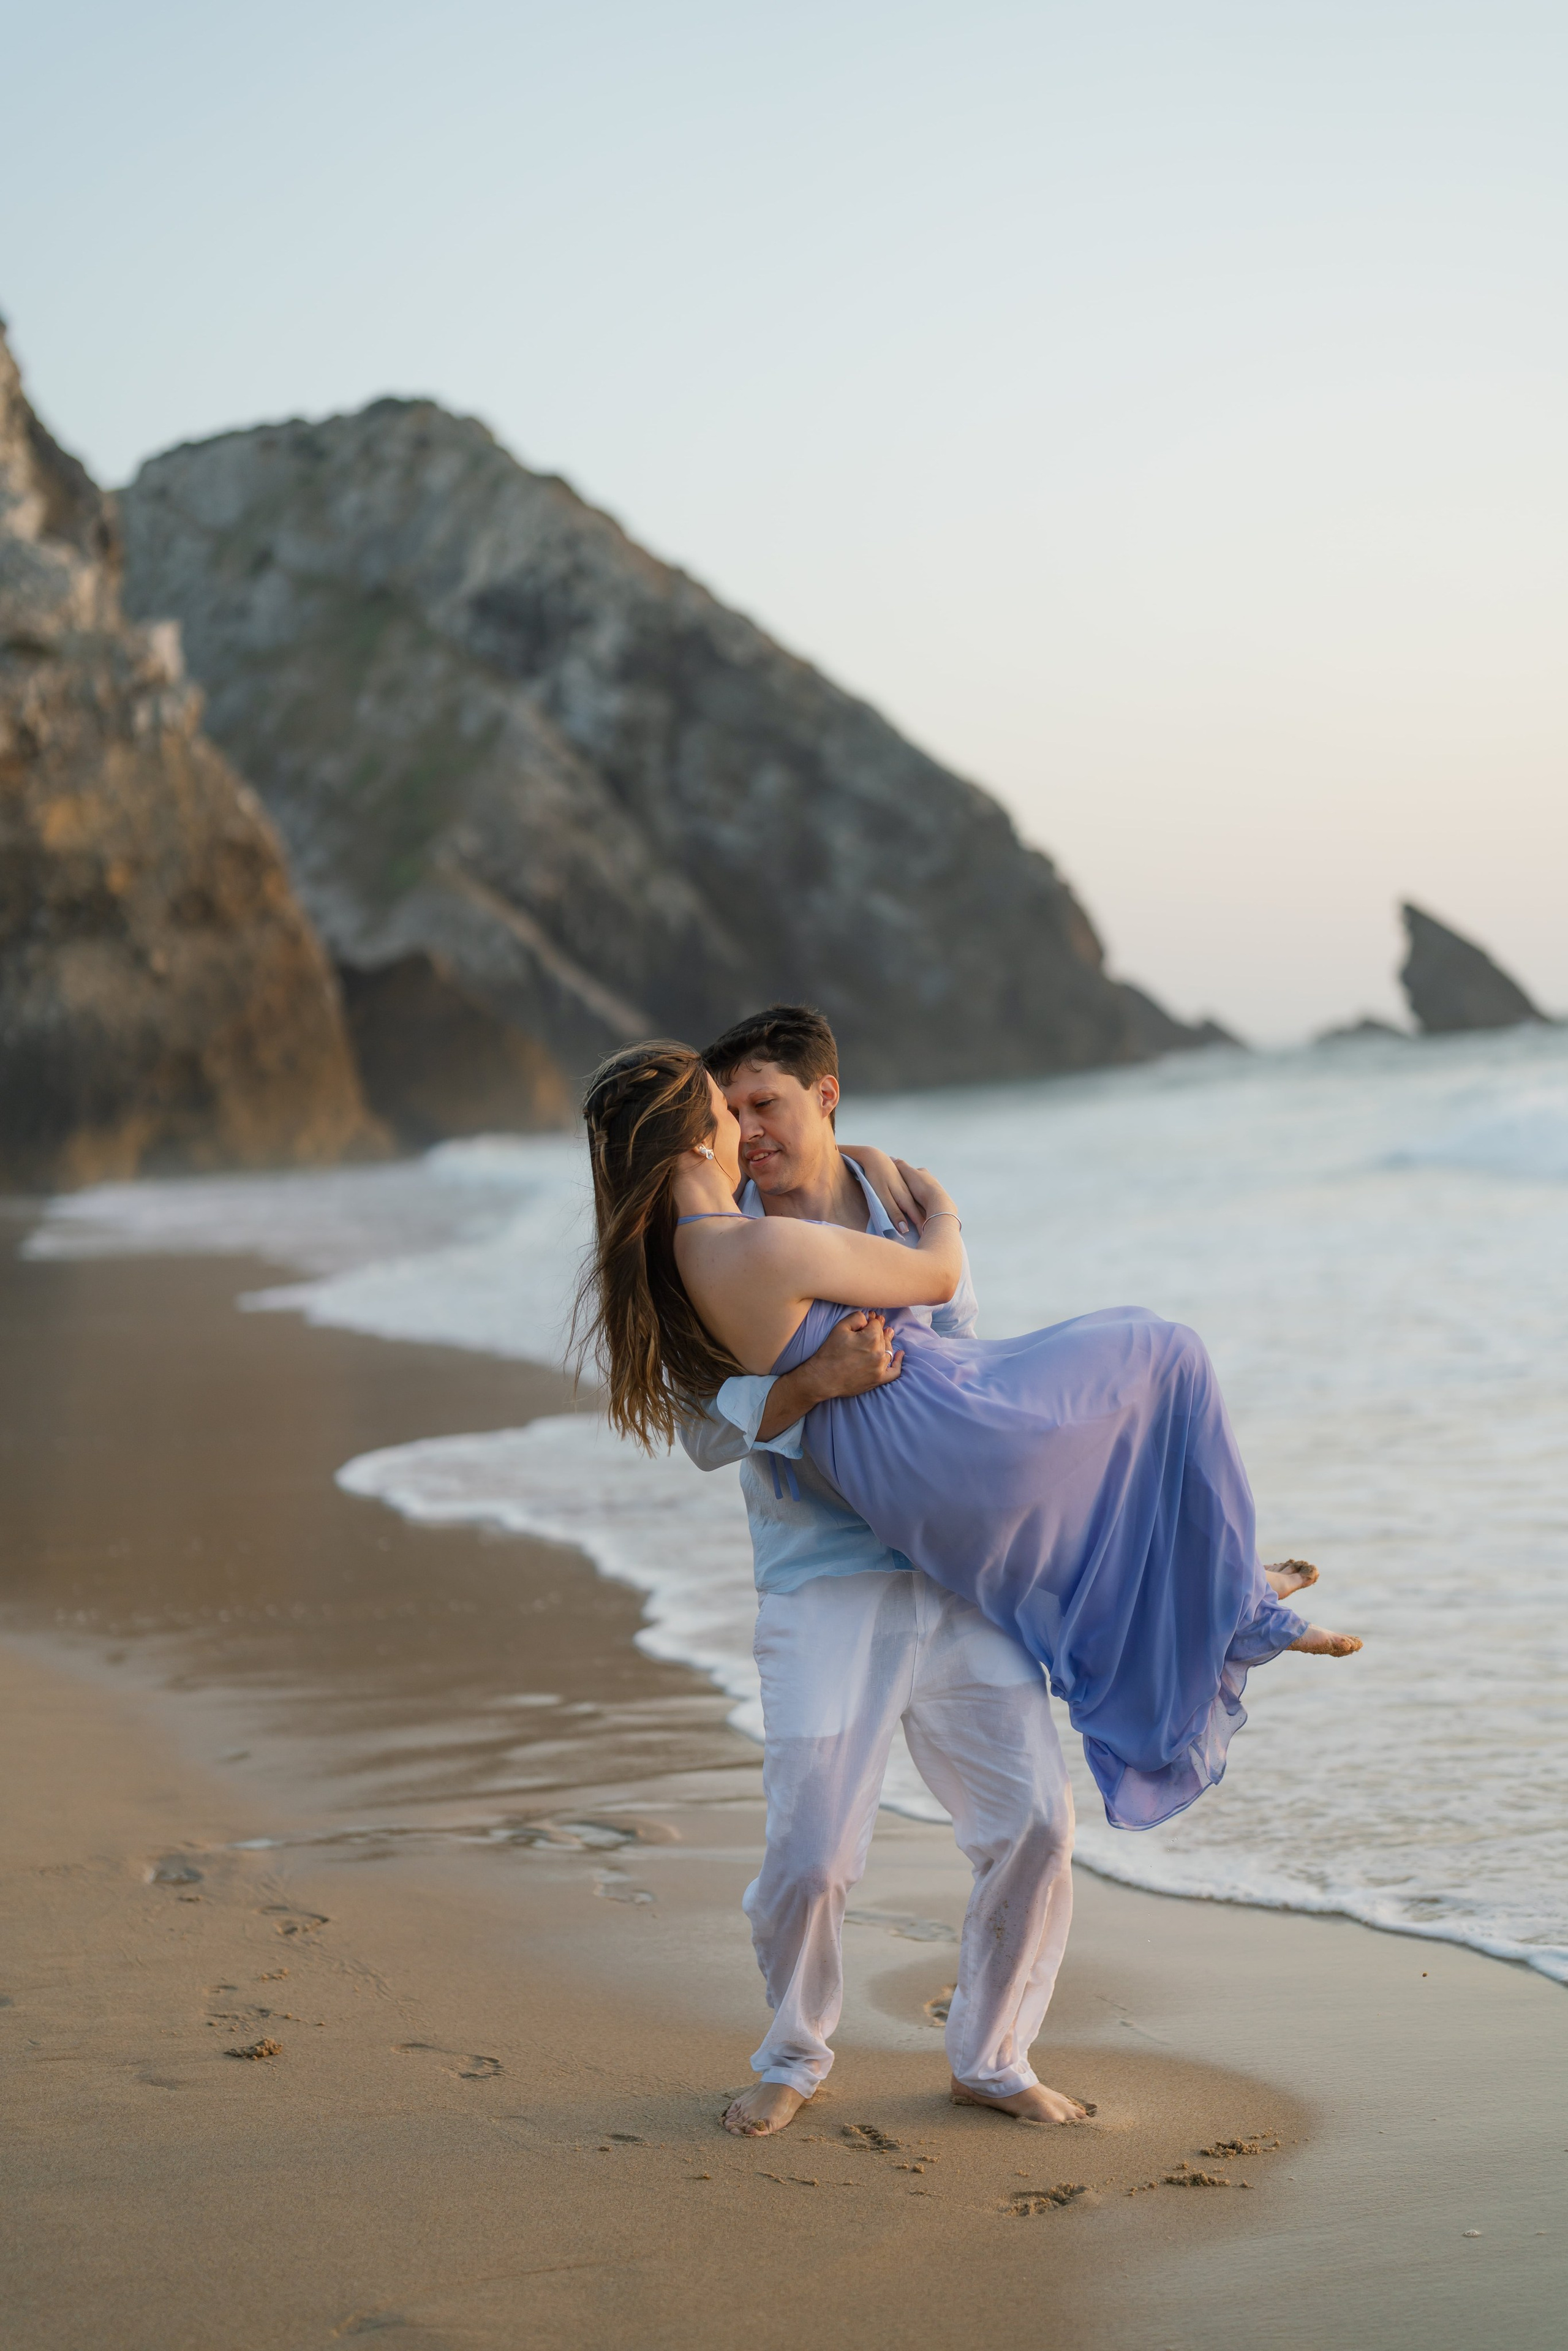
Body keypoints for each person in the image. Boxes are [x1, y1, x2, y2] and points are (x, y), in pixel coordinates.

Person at [576, 1021, 1360, 2138]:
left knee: (1037, 1821)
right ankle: (793, 2052)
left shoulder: (880, 1203)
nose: (748, 1130)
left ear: (823, 1097)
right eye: (729, 1110)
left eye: (766, 1106)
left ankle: (992, 2055)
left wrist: (918, 1250)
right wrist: (815, 1385)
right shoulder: (716, 1240)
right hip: (823, 1579)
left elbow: (969, 1362)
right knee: (810, 1855)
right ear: (697, 1133)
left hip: (951, 1574)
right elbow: (708, 1435)